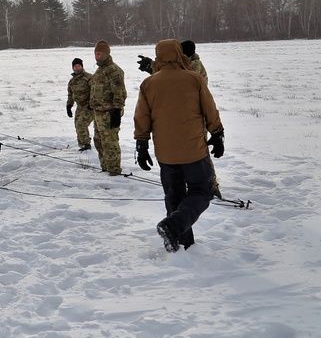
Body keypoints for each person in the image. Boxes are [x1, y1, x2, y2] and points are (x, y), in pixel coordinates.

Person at [133, 39, 225, 252]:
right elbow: (210, 110)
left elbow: (142, 117)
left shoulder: (149, 84)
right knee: (202, 192)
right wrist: (218, 134)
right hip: (193, 151)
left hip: (166, 155)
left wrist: (142, 145)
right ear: (178, 54)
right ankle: (173, 227)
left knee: (174, 196)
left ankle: (181, 243)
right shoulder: (194, 79)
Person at [137, 40, 222, 199]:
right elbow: (171, 76)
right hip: (185, 115)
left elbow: (178, 74)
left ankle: (211, 186)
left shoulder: (195, 67)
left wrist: (153, 66)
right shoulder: (188, 66)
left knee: (199, 154)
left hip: (195, 117)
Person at [89, 39, 127, 175]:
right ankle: (105, 167)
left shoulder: (114, 71)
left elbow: (120, 93)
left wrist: (117, 111)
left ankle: (114, 169)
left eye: (99, 54)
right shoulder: (99, 70)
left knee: (109, 142)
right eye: (95, 54)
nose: (97, 56)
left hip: (109, 113)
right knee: (99, 141)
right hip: (97, 112)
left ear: (106, 54)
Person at [66, 58, 93, 151]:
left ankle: (86, 145)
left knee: (81, 124)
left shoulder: (89, 77)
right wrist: (69, 106)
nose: (77, 68)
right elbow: (70, 95)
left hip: (89, 106)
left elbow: (95, 91)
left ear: (82, 66)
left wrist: (92, 103)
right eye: (75, 66)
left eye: (79, 66)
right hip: (80, 106)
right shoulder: (72, 81)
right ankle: (82, 145)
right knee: (77, 124)